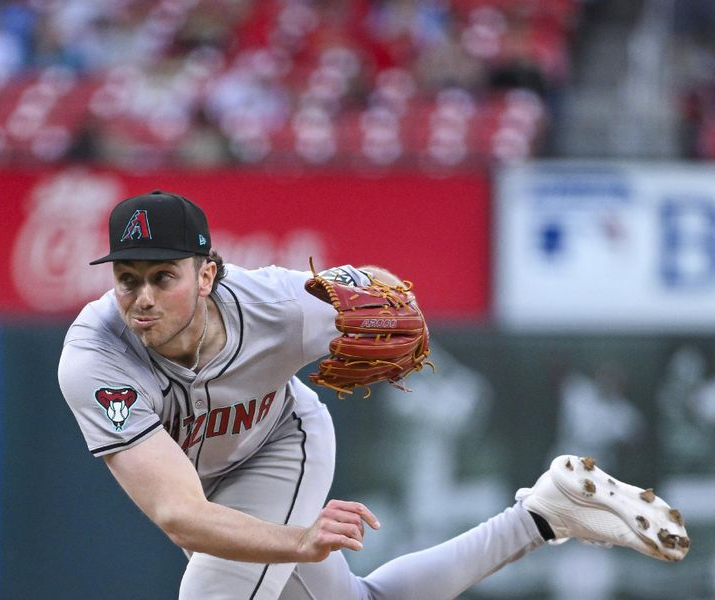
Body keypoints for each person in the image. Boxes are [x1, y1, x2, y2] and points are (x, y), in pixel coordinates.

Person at [58, 190, 689, 599]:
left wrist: (389, 300)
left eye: (162, 276)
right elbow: (180, 515)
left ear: (207, 274)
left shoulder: (279, 304)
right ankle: (545, 515)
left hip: (280, 445)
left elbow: (383, 289)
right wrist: (300, 543)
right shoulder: (96, 356)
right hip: (204, 490)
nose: (141, 297)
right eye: (127, 277)